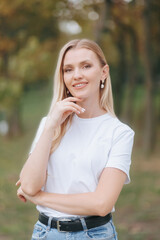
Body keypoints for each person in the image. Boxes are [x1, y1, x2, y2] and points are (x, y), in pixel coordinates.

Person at [16, 39, 135, 240]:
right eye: (68, 69)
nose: (77, 75)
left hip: (95, 235)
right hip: (44, 234)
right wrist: (50, 126)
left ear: (104, 72)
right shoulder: (50, 124)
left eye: (86, 66)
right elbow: (28, 185)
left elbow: (101, 204)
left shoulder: (119, 133)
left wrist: (39, 197)